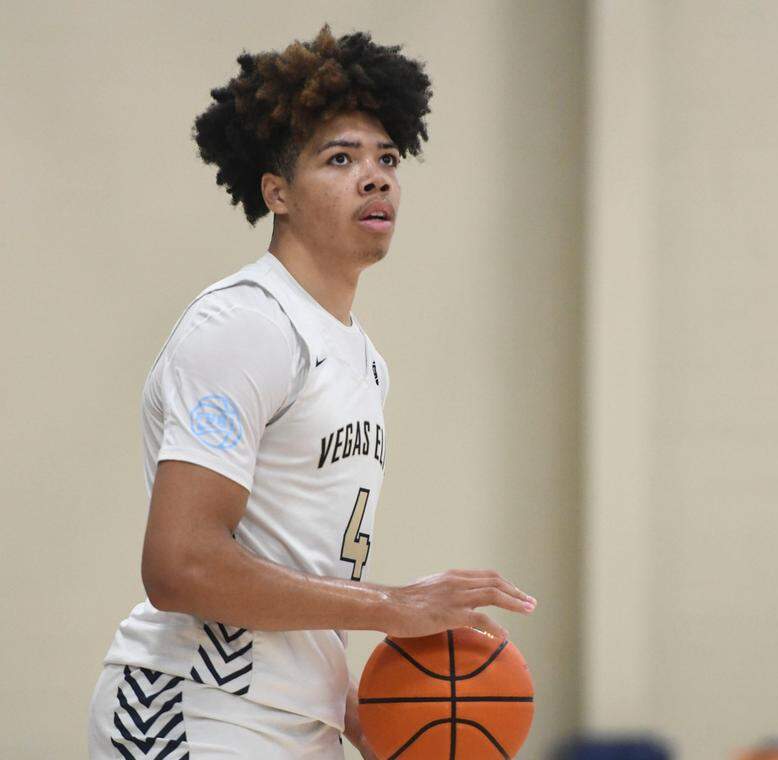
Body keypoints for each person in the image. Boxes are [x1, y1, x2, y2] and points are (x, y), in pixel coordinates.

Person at [87, 25, 536, 759]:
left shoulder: (363, 360)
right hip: (191, 708)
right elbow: (181, 564)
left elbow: (297, 574)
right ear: (277, 193)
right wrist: (395, 606)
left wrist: (371, 718)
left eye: (387, 158)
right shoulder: (246, 324)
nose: (377, 175)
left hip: (297, 724)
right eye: (341, 159)